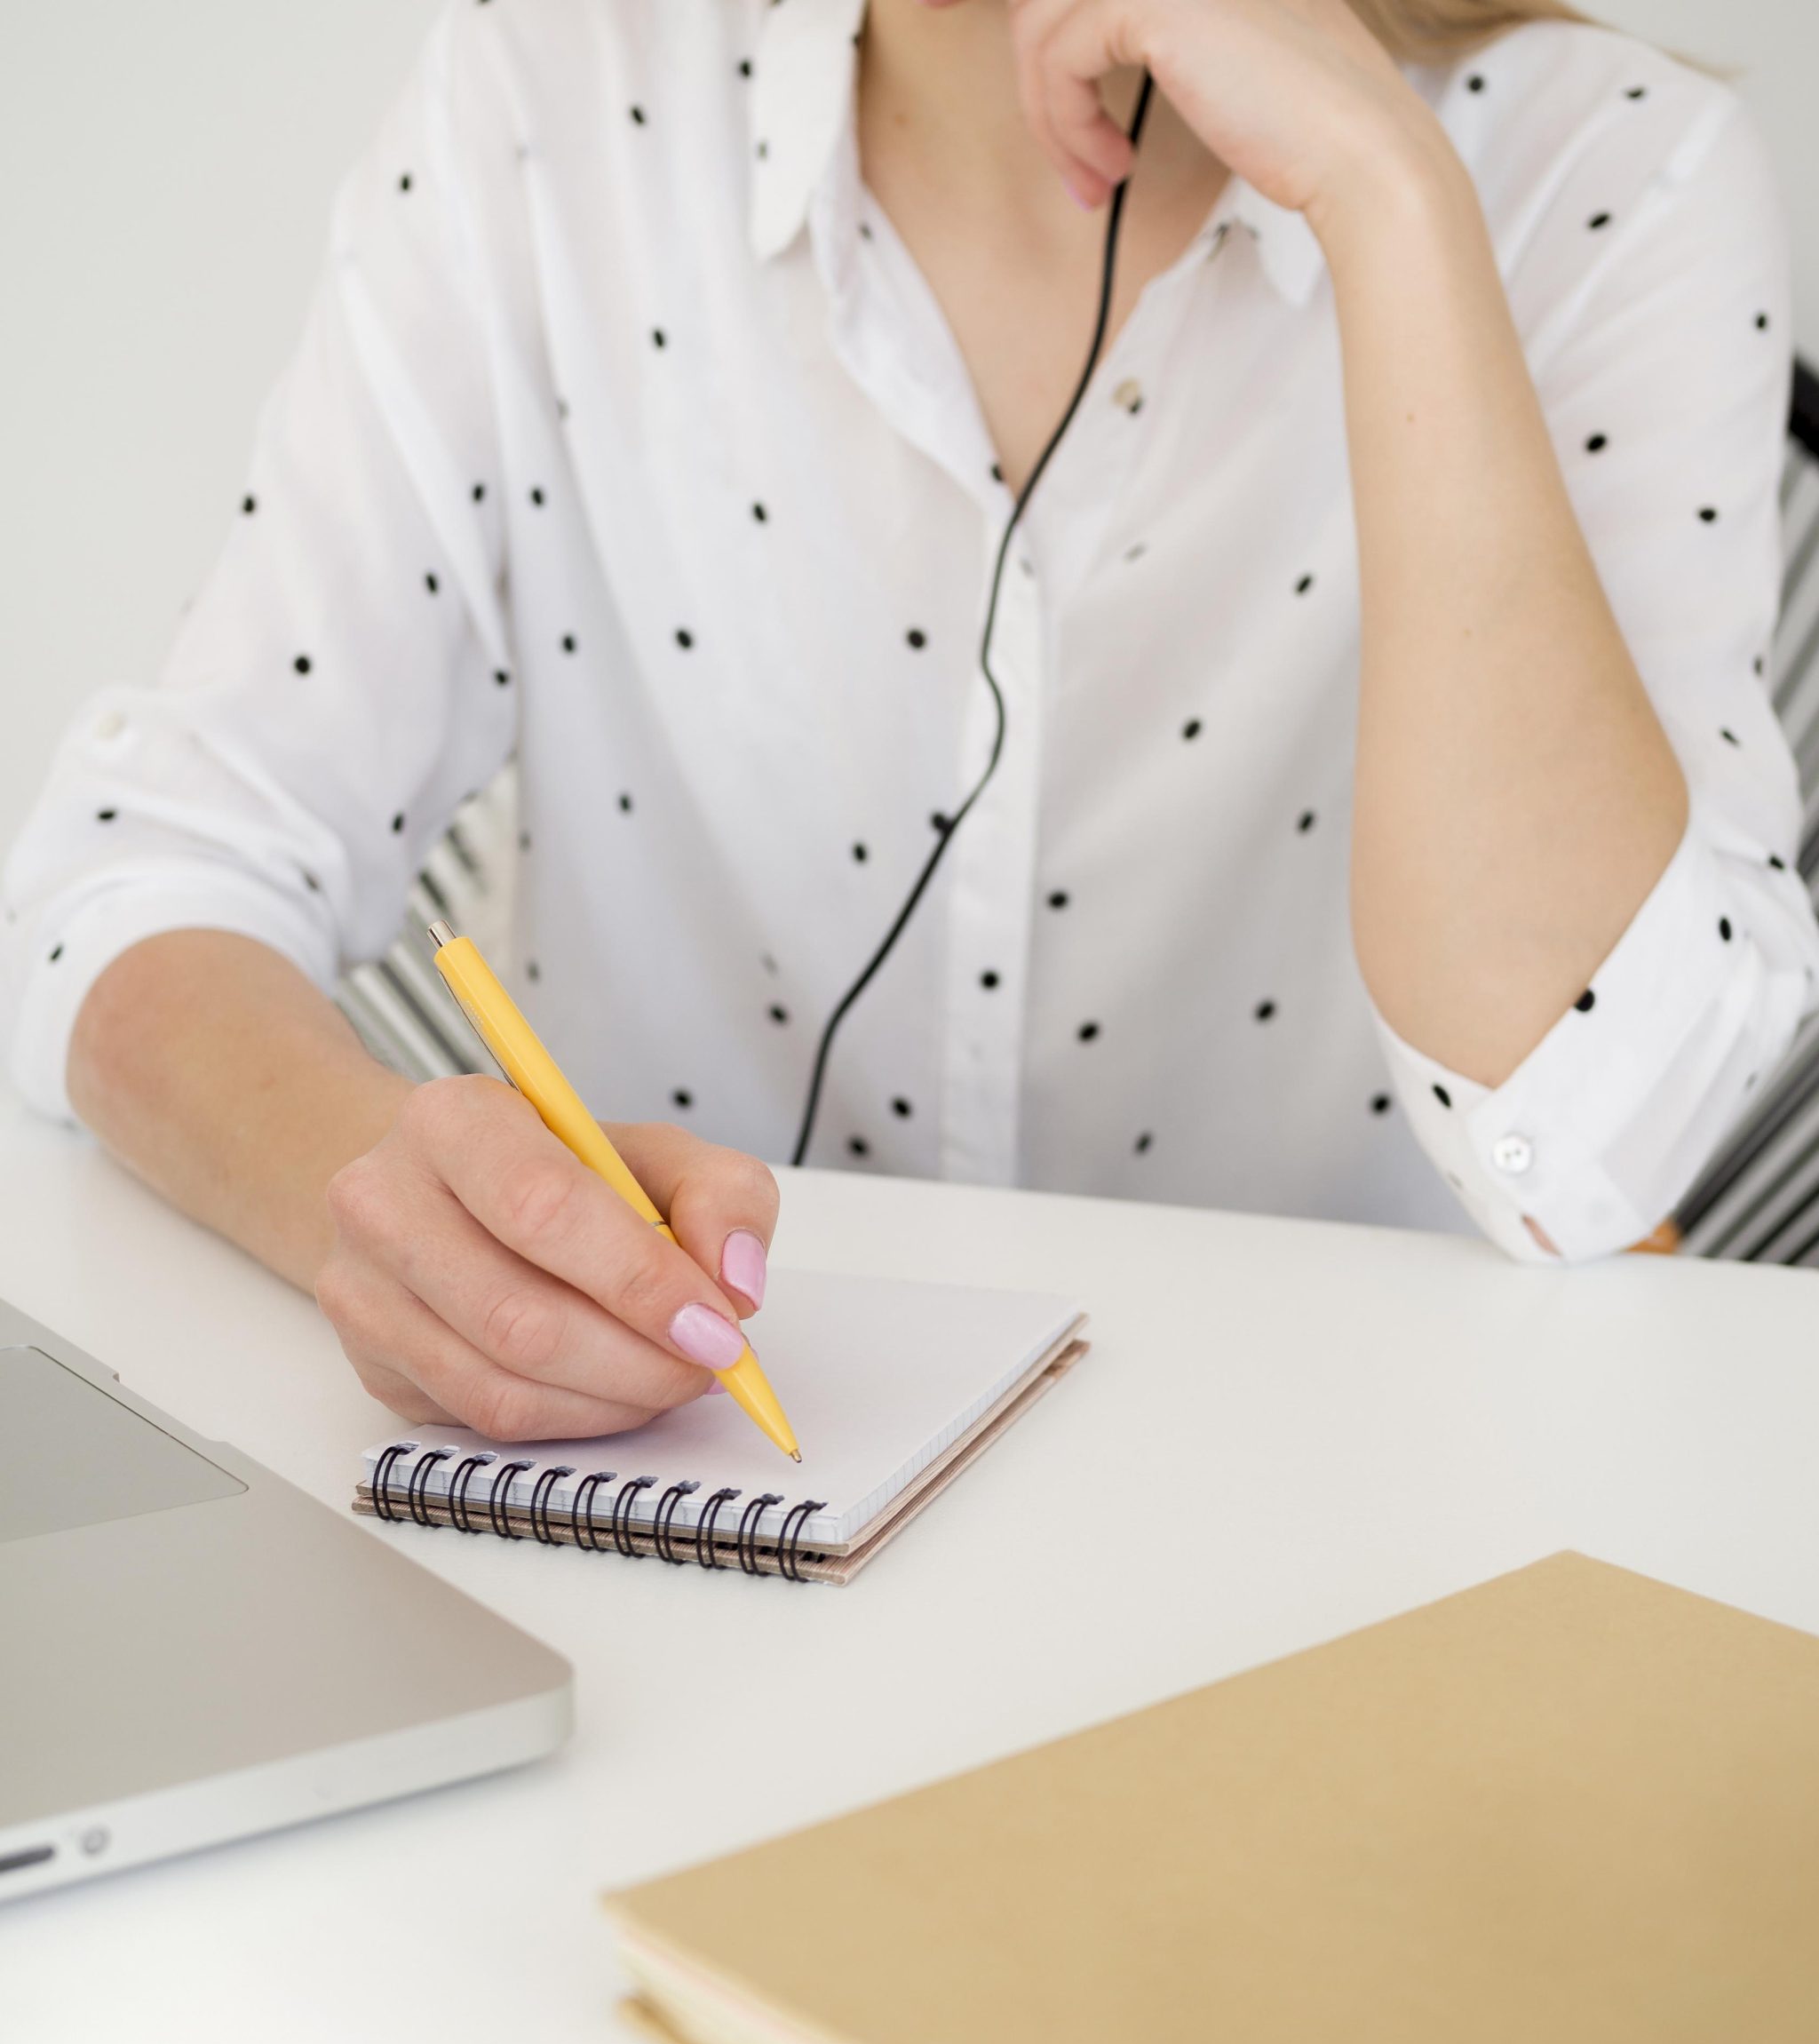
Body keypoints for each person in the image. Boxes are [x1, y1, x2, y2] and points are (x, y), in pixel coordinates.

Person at [5, 0, 1814, 1445]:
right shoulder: (555, 96)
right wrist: (386, 1208)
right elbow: (134, 881)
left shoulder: (1607, 172)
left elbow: (1600, 1145)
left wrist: (1383, 198)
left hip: (1339, 1541)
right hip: (679, 1507)